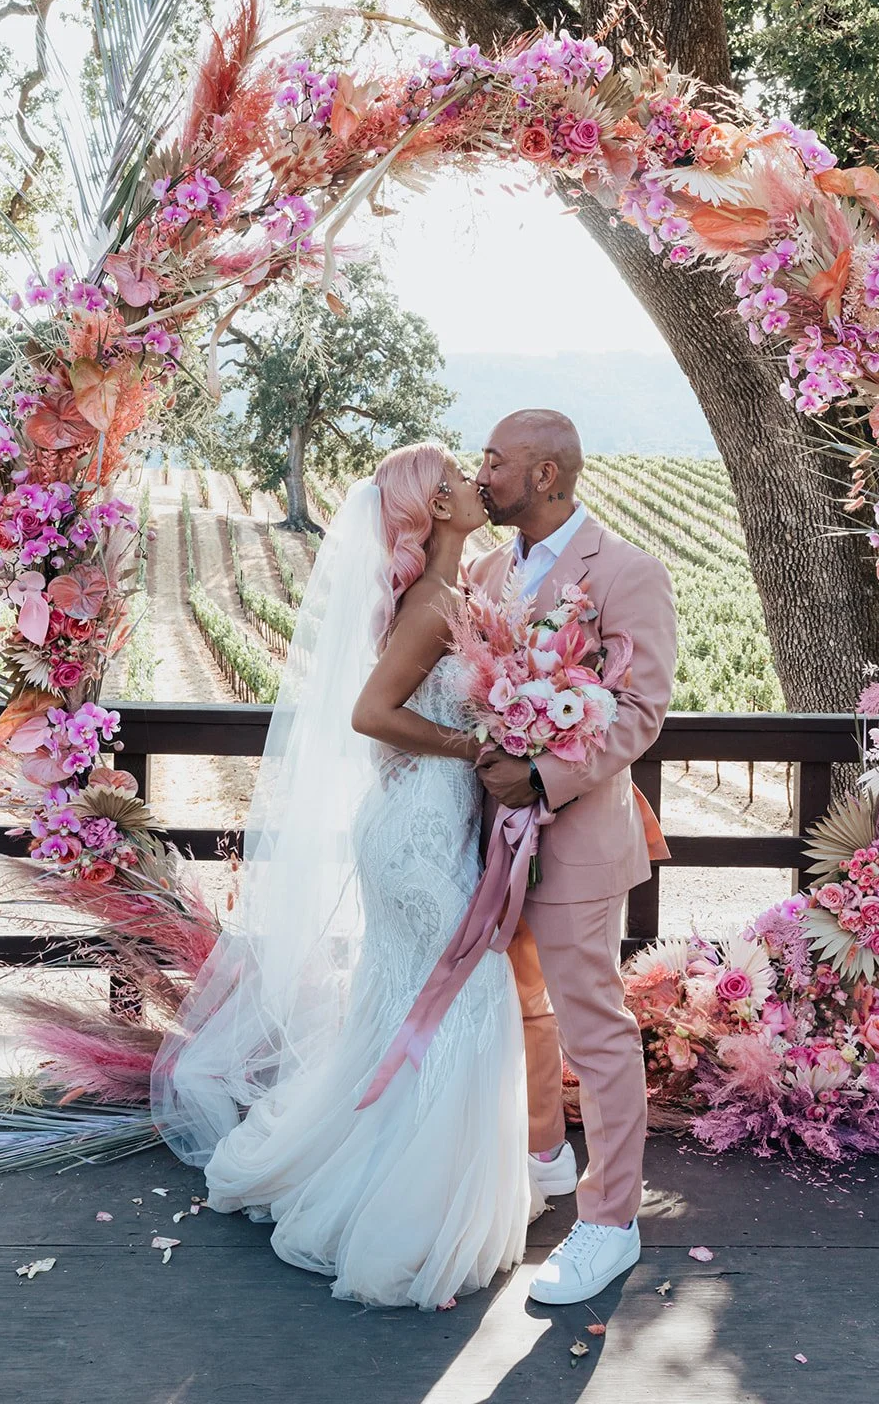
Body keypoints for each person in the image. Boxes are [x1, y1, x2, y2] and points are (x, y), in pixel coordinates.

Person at [150, 443, 531, 1310]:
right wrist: (470, 745)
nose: (474, 485)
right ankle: (414, 1209)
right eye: (457, 482)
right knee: (471, 998)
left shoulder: (453, 594)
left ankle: (384, 1176)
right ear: (434, 508)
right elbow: (370, 714)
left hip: (430, 823)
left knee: (406, 1000)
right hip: (416, 832)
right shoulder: (433, 601)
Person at [469, 410, 677, 1305]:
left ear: (546, 475)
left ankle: (609, 1223)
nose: (480, 475)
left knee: (594, 1028)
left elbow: (641, 709)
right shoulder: (481, 571)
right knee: (511, 1007)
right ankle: (544, 1161)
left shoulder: (626, 572)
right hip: (484, 839)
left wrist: (542, 775)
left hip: (576, 838)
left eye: (494, 461)